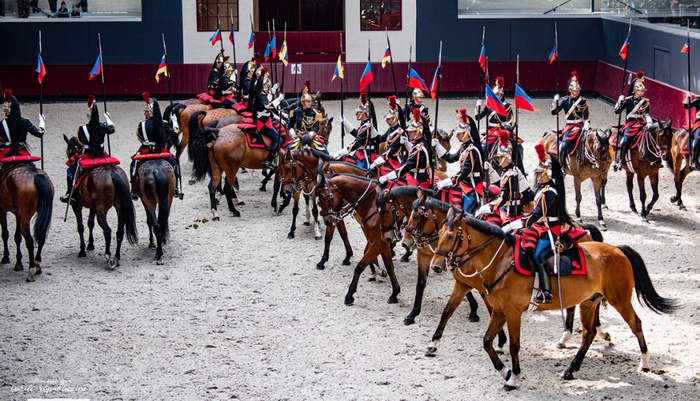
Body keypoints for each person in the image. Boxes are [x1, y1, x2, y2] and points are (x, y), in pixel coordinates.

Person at [505, 144, 573, 304]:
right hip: (540, 226)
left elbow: (535, 215)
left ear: (547, 174)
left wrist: (514, 224)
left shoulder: (550, 193)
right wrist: (518, 178)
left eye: (539, 174)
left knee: (538, 255)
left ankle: (546, 292)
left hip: (550, 229)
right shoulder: (543, 188)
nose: (537, 177)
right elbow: (529, 195)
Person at [60, 95, 116, 203]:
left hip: (87, 155)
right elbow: (112, 130)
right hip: (102, 155)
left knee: (70, 171)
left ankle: (70, 193)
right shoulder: (103, 126)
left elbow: (80, 143)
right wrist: (108, 120)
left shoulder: (82, 128)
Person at [130, 92, 181, 199]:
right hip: (161, 151)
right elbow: (174, 134)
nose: (145, 114)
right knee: (174, 163)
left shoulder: (141, 124)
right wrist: (175, 123)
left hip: (146, 150)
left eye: (146, 112)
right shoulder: (164, 123)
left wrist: (146, 142)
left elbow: (140, 137)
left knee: (133, 164)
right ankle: (176, 187)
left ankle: (133, 189)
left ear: (148, 113)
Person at [434, 108, 484, 214]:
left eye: (459, 133)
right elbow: (450, 158)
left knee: (463, 215)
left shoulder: (472, 151)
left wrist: (444, 182)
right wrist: (437, 145)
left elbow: (463, 174)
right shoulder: (464, 147)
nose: (456, 135)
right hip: (462, 185)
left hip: (472, 188)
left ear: (466, 134)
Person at [378, 108, 432, 188]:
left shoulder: (419, 148)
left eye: (411, 131)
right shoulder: (420, 143)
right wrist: (406, 143)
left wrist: (387, 177)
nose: (409, 133)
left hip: (417, 179)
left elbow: (407, 166)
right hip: (412, 175)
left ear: (418, 132)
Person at [613, 71, 653, 171]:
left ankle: (653, 158)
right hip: (631, 124)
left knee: (651, 136)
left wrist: (649, 121)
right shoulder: (628, 100)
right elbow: (617, 111)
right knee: (625, 140)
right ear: (635, 91)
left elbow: (647, 113)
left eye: (643, 91)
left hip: (641, 123)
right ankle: (621, 161)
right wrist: (619, 101)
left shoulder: (645, 102)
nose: (642, 93)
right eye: (640, 91)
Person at [551, 71, 590, 168]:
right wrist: (555, 101)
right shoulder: (564, 100)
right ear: (570, 90)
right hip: (570, 126)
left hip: (581, 125)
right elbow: (554, 112)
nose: (577, 92)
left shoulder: (583, 101)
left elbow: (586, 115)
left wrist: (586, 123)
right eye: (575, 90)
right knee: (564, 145)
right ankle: (562, 165)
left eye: (578, 90)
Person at [251, 67, 285, 170]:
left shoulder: (262, 93)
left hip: (266, 121)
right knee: (279, 140)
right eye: (268, 86)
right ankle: (268, 161)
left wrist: (274, 90)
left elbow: (268, 100)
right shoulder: (261, 95)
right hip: (263, 124)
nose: (269, 87)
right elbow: (268, 106)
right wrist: (278, 100)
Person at [0, 89, 45, 165]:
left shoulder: (2, 123)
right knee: (33, 169)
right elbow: (39, 133)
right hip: (22, 152)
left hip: (8, 153)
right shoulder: (25, 122)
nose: (4, 111)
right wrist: (42, 122)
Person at [474, 76, 515, 157]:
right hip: (491, 130)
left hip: (503, 130)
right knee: (483, 147)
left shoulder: (507, 106)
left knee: (518, 147)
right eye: (496, 94)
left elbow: (510, 120)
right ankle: (481, 165)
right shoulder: (488, 105)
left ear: (502, 95)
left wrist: (507, 127)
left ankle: (517, 165)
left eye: (499, 94)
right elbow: (478, 117)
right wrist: (477, 107)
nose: (497, 96)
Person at [335, 93, 378, 169]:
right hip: (359, 152)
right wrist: (345, 122)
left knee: (357, 173)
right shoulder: (364, 124)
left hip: (366, 154)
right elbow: (357, 134)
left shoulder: (367, 126)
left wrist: (340, 152)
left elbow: (356, 143)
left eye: (358, 112)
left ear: (364, 113)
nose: (356, 113)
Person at [370, 95, 409, 176]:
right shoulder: (391, 129)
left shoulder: (399, 132)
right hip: (388, 159)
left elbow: (391, 151)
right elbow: (380, 139)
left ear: (395, 118)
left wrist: (377, 161)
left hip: (396, 161)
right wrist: (372, 128)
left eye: (389, 118)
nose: (386, 120)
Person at [288, 81, 326, 152]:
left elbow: (316, 126)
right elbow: (290, 125)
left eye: (310, 101)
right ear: (303, 102)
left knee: (325, 150)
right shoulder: (296, 112)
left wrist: (312, 133)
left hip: (312, 136)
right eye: (307, 101)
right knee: (288, 150)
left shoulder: (315, 113)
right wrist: (293, 132)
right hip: (299, 136)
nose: (310, 103)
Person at [682, 91, 700, 170]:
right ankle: (694, 162)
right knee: (697, 140)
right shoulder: (698, 100)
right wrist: (687, 98)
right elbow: (687, 106)